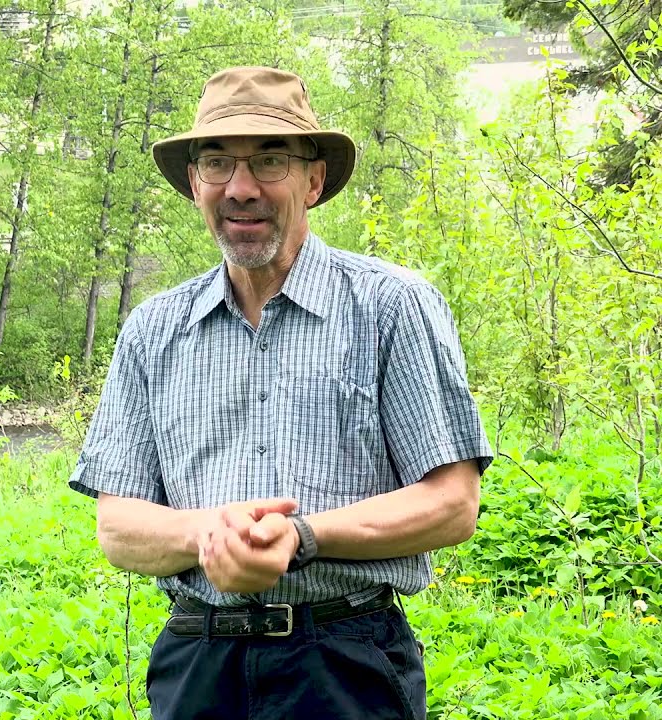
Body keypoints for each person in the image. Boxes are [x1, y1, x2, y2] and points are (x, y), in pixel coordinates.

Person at [67, 66, 494, 720]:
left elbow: (452, 505)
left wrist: (302, 537)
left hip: (345, 663)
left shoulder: (392, 308)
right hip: (196, 663)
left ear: (313, 180)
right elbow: (118, 527)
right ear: (193, 184)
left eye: (269, 160)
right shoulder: (153, 329)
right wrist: (213, 534)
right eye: (216, 163)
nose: (241, 188)